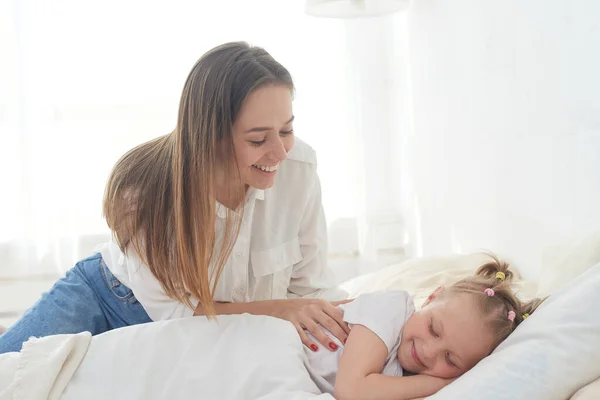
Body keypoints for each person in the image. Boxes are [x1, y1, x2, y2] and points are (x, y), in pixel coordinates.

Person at [0, 42, 348, 354]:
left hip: (208, 331)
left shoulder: (299, 169)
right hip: (109, 298)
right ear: (210, 135)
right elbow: (178, 316)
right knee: (11, 371)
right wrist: (280, 310)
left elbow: (311, 288)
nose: (279, 153)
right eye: (258, 140)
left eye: (286, 130)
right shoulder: (144, 192)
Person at [304, 256, 545, 399]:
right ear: (431, 297)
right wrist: (442, 383)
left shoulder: (407, 378)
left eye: (450, 359)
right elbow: (350, 390)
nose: (429, 353)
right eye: (434, 329)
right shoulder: (392, 307)